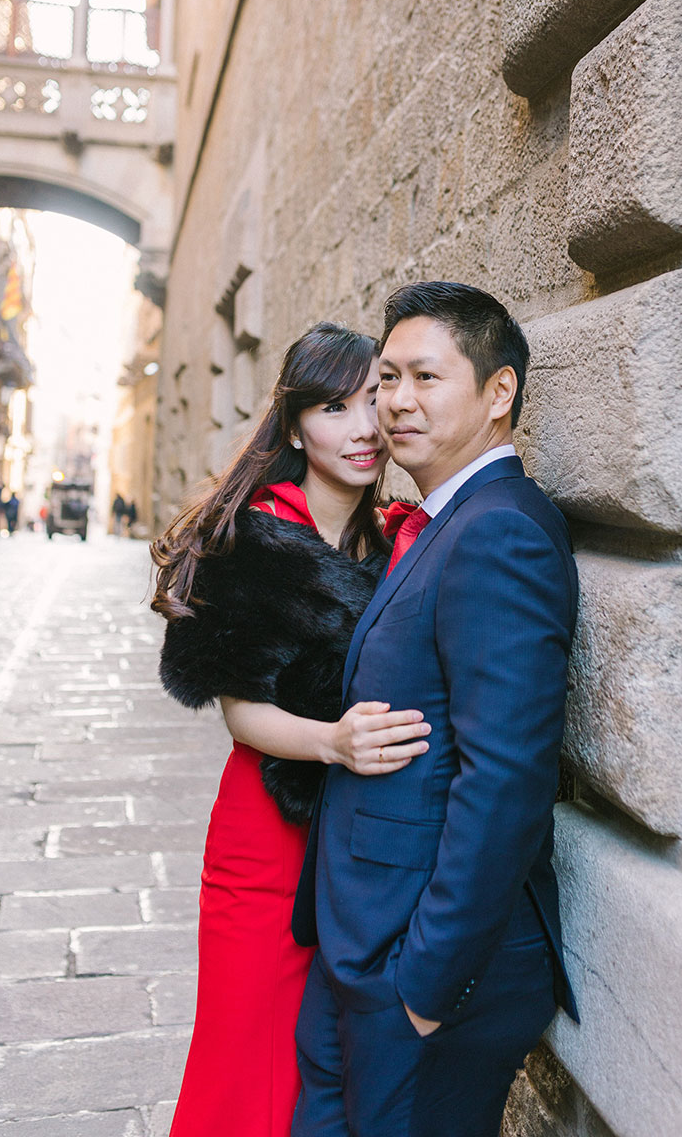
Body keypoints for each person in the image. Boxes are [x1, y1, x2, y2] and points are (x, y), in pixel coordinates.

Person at [292, 282, 579, 1137]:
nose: (394, 402)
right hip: (361, 944)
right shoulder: (438, 522)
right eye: (386, 378)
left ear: (498, 394)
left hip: (423, 972)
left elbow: (507, 777)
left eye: (425, 377)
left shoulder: (501, 532)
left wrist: (426, 984)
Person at [150, 323, 430, 1137]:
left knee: (326, 1063)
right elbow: (239, 711)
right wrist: (333, 742)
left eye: (374, 402)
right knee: (245, 1062)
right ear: (297, 423)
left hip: (361, 844)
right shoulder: (255, 537)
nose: (362, 427)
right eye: (335, 407)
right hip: (265, 837)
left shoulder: (394, 538)